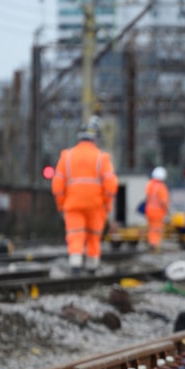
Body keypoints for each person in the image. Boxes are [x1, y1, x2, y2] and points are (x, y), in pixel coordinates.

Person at [52, 118, 118, 275]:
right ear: (94, 138)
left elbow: (57, 185)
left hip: (72, 203)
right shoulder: (102, 158)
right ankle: (92, 266)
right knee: (94, 235)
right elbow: (111, 184)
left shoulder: (66, 156)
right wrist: (107, 204)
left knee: (75, 234)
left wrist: (61, 204)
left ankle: (75, 264)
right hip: (96, 204)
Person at [144, 167, 170, 252]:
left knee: (151, 228)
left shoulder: (150, 184)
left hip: (149, 211)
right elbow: (163, 201)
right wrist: (167, 210)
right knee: (157, 229)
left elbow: (147, 197)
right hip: (158, 212)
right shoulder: (161, 187)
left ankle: (151, 242)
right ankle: (154, 245)